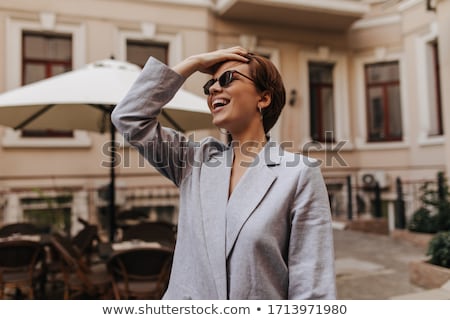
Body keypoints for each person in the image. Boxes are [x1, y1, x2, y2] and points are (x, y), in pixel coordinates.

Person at [111, 46, 336, 299]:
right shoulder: (194, 162)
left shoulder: (298, 175)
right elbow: (129, 117)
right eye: (210, 85)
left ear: (263, 98)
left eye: (228, 79)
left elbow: (312, 288)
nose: (214, 89)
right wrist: (193, 63)